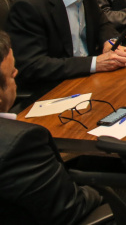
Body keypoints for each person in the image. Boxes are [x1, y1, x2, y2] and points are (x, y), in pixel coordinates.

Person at [0, 32, 105, 224]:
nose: (17, 74)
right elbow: (71, 209)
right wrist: (110, 187)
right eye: (12, 74)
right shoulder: (19, 142)